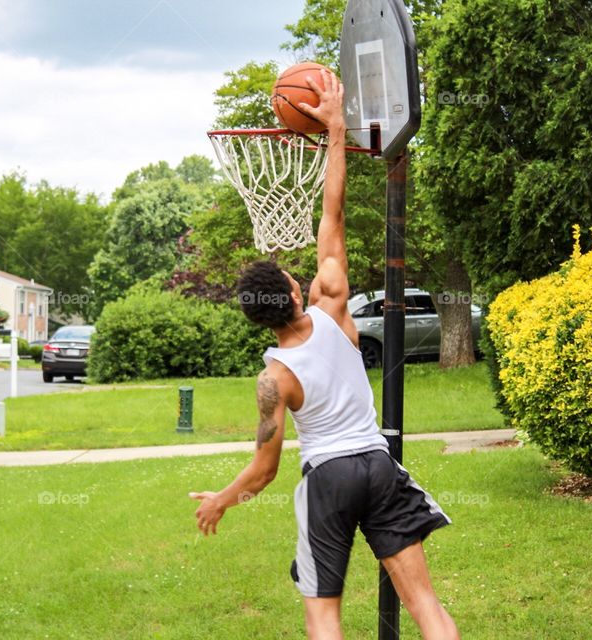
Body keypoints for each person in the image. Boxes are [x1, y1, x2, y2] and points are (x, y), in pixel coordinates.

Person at [189, 70, 459, 640]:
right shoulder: (332, 302)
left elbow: (264, 471)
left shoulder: (274, 378)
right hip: (379, 466)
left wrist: (223, 499)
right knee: (426, 608)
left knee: (323, 616)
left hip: (330, 478)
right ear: (294, 293)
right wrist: (336, 129)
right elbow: (331, 216)